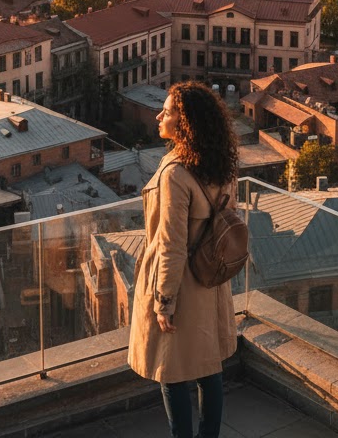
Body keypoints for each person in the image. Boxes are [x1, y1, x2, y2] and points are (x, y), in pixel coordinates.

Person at [128, 82, 239, 438]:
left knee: (170, 371)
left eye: (168, 112)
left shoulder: (176, 173)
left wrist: (164, 301)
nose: (159, 116)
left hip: (182, 285)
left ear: (185, 122)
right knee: (210, 369)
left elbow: (171, 245)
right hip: (212, 279)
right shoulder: (220, 164)